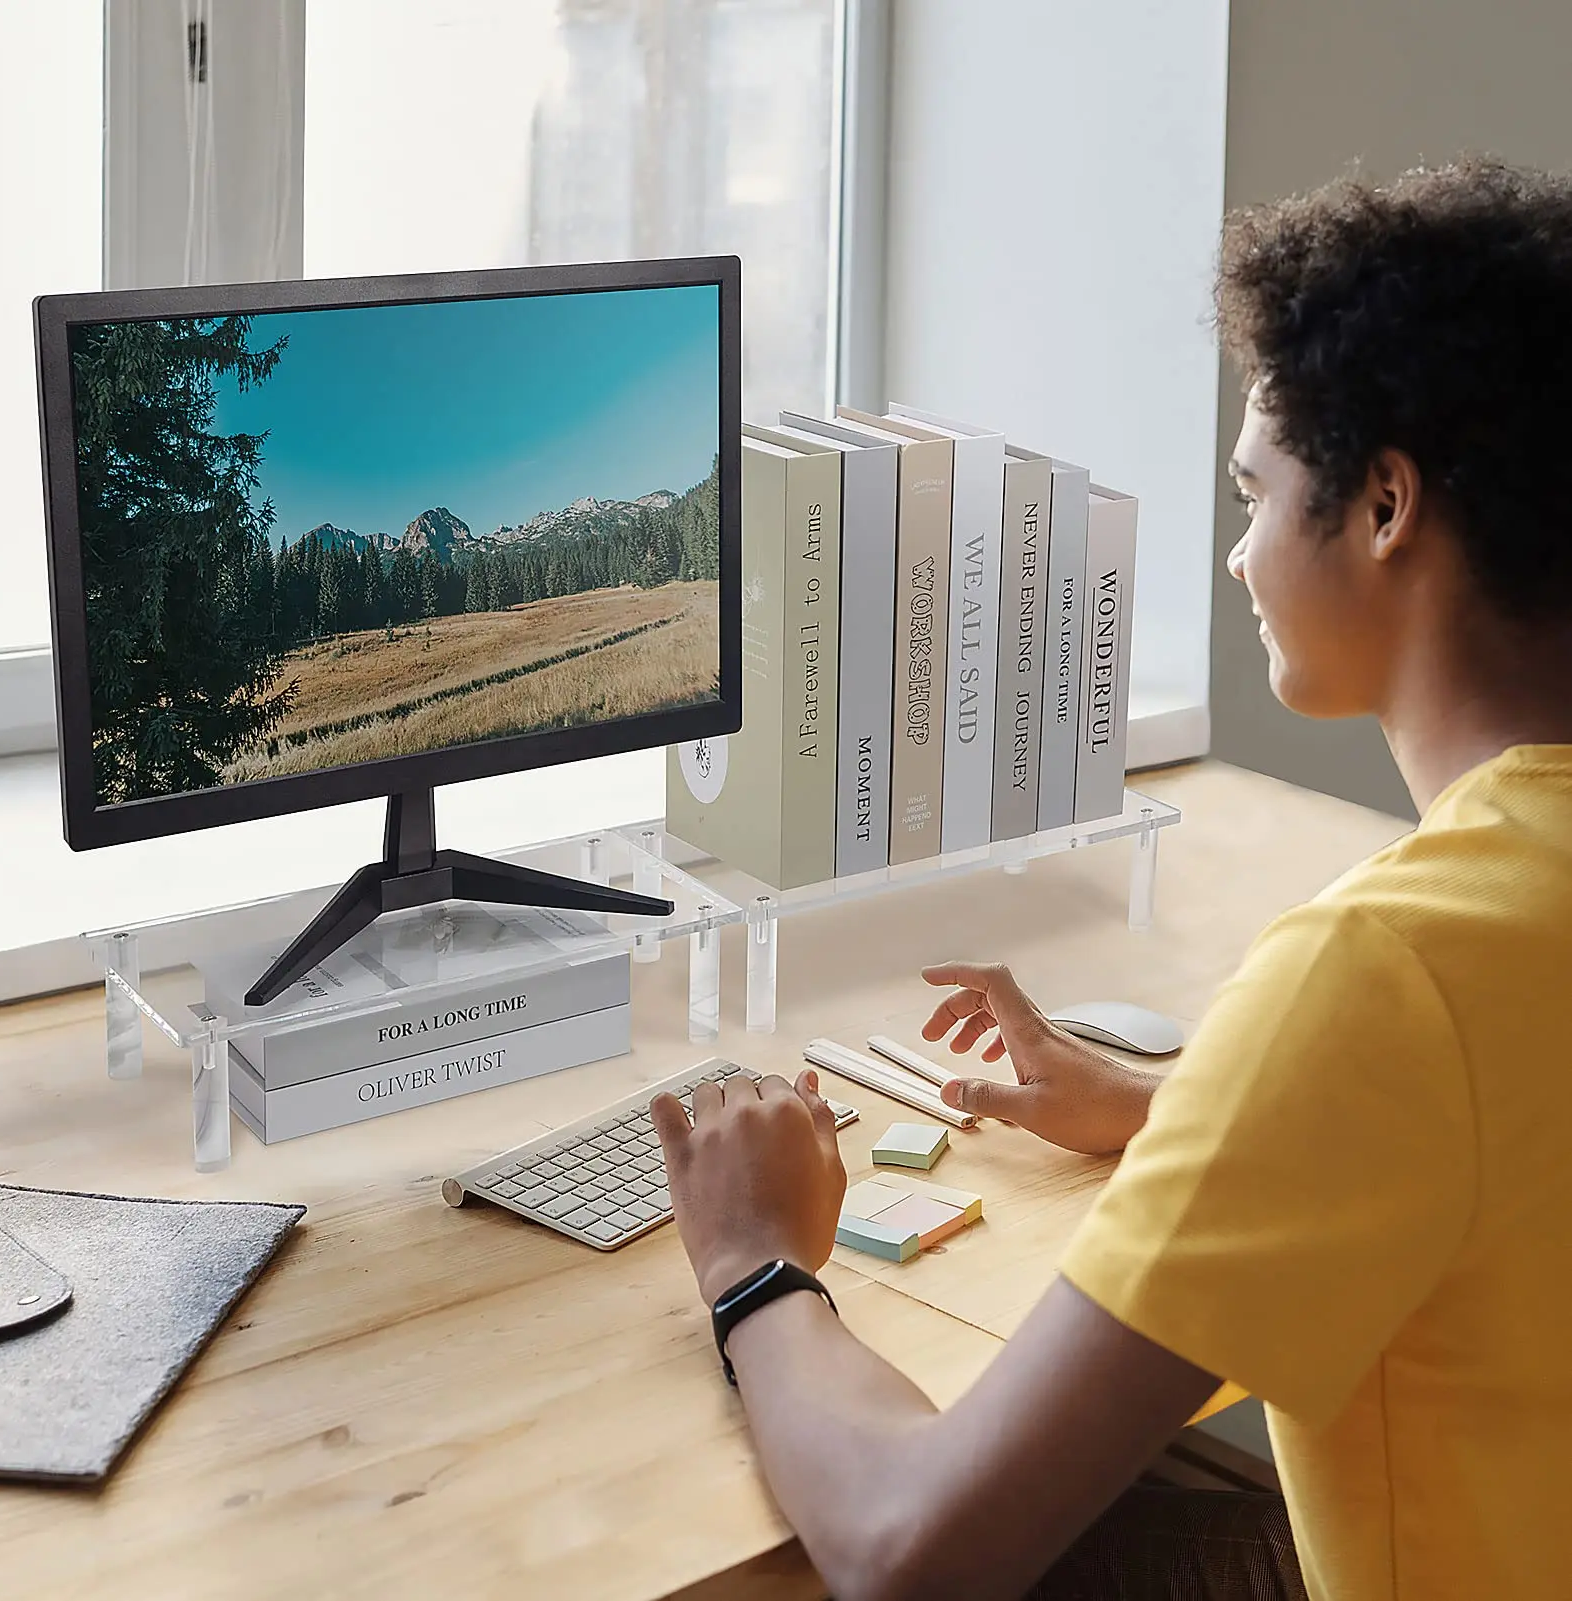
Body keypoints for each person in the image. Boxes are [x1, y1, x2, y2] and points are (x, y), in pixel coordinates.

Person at [648, 158, 1572, 1601]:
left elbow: (912, 1551)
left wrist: (754, 1262)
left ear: (1386, 506)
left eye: (1254, 495)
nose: (1238, 554)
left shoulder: (1390, 971)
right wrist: (1186, 1113)